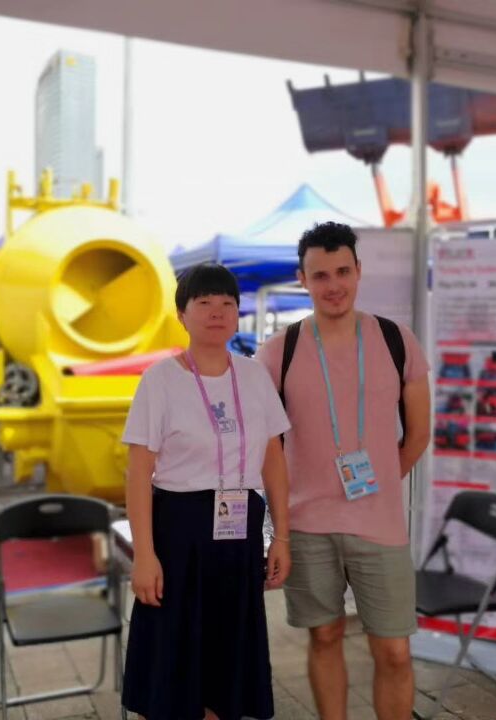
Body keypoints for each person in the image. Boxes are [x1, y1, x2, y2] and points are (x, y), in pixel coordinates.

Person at [256, 222, 431, 720]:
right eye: (320, 275)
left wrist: (378, 485)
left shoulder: (396, 340)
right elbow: (267, 448)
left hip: (381, 525)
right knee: (326, 636)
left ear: (358, 271)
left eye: (342, 271)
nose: (333, 285)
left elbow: (418, 434)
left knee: (394, 651)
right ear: (302, 279)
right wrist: (279, 528)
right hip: (307, 525)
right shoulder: (279, 350)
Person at [121, 262, 292, 720]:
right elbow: (138, 473)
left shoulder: (254, 376)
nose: (217, 312)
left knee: (226, 654)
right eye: (204, 303)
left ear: (238, 313)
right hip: (178, 531)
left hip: (239, 531)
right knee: (171, 654)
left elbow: (274, 460)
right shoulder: (160, 380)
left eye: (227, 303)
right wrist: (143, 555)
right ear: (182, 314)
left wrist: (282, 537)